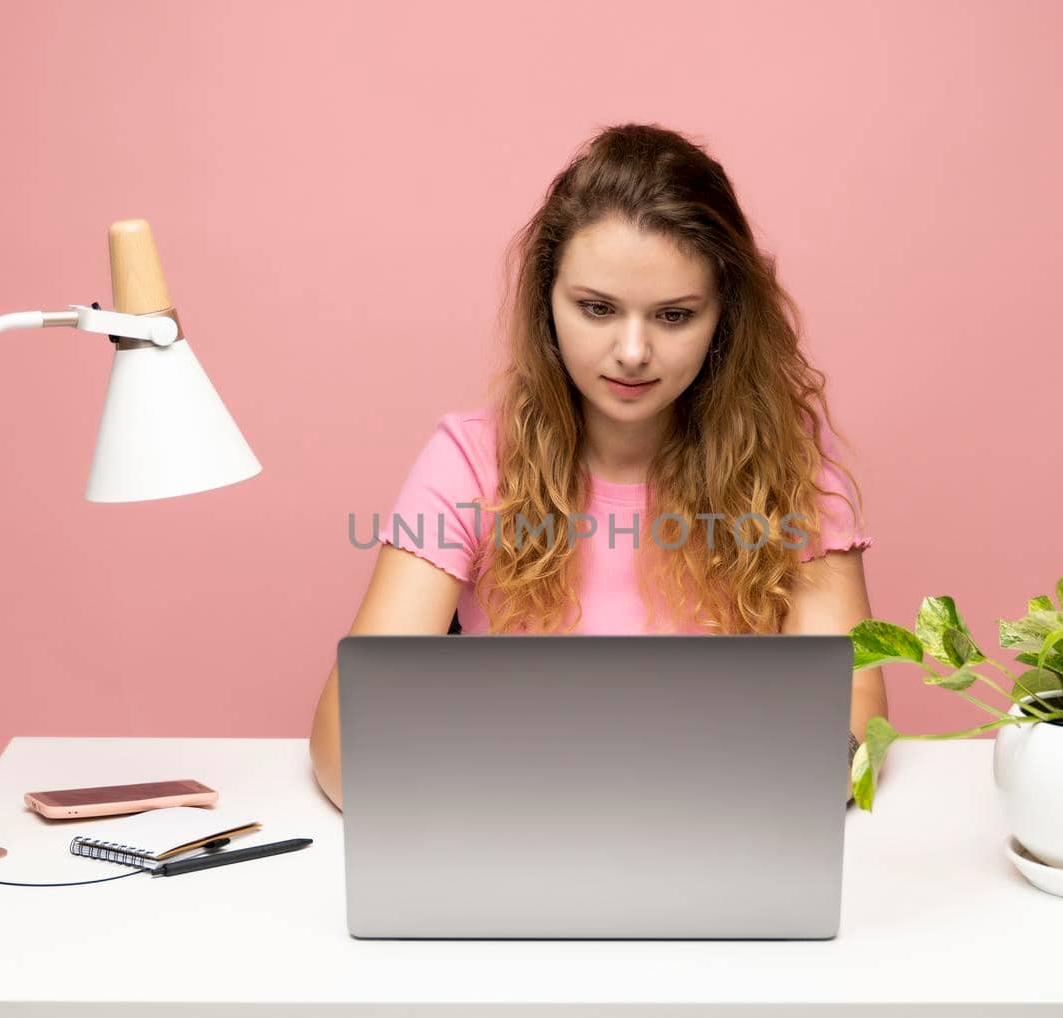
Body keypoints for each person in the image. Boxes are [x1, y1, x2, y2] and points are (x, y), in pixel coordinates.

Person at [312, 123, 887, 810]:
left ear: (724, 319)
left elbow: (854, 702)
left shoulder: (789, 470)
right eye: (596, 309)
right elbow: (348, 732)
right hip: (511, 824)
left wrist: (755, 799)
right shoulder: (469, 461)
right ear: (547, 302)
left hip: (715, 830)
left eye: (675, 315)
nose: (633, 351)